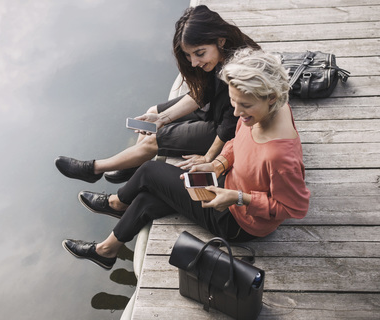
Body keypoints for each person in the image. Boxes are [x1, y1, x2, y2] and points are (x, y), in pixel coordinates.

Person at [62, 48, 311, 270]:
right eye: (233, 102)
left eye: (244, 105)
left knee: (150, 172)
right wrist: (218, 163)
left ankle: (117, 206)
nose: (236, 113)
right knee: (148, 198)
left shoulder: (279, 156)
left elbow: (294, 208)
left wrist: (237, 197)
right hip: (226, 183)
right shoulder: (270, 110)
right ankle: (107, 251)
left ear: (270, 96)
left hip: (237, 220)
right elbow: (237, 142)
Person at [55, 5, 261, 184]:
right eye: (189, 56)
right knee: (154, 113)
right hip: (216, 109)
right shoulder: (218, 56)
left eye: (199, 53)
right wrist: (163, 117)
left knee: (154, 140)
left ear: (220, 41)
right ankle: (134, 163)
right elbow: (203, 94)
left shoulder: (238, 73)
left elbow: (228, 127)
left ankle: (94, 169)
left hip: (228, 131)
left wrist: (209, 157)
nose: (193, 63)